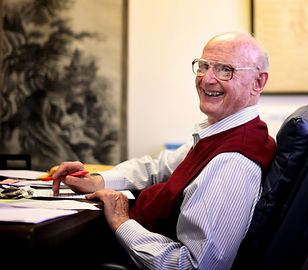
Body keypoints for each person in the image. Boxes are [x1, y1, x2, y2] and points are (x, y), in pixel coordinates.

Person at [51, 31, 276, 269]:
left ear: (258, 82)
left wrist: (121, 221)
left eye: (224, 70)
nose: (207, 79)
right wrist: (97, 181)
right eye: (204, 66)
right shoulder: (222, 134)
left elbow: (193, 266)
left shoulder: (232, 162)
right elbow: (158, 168)